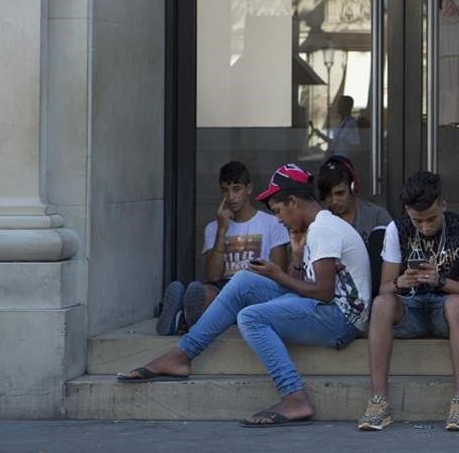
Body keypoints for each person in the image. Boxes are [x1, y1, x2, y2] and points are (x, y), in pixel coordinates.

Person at [116, 164, 372, 427]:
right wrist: (296, 257)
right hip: (324, 307)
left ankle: (294, 397)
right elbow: (307, 286)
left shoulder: (323, 229)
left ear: (293, 201)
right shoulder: (316, 227)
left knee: (251, 318)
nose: (279, 220)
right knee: (244, 281)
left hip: (341, 320)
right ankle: (182, 355)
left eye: (278, 211)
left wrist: (277, 274)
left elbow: (324, 292)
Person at [357, 171, 459, 432]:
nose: (425, 227)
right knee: (382, 304)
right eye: (418, 220)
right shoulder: (397, 228)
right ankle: (378, 401)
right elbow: (384, 289)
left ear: (443, 204)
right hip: (411, 310)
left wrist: (440, 281)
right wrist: (399, 283)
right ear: (407, 211)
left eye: (431, 219)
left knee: (457, 304)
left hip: (447, 312)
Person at [155, 161, 290, 335]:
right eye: (225, 190)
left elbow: (278, 273)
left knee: (224, 302)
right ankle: (184, 317)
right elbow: (213, 275)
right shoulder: (214, 228)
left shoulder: (272, 223)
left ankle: (183, 320)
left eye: (236, 189)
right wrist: (222, 230)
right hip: (223, 287)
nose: (231, 196)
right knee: (204, 292)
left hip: (255, 285)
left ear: (249, 189)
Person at [317, 155, 392, 242]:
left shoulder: (377, 216)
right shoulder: (320, 221)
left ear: (353, 188)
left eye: (340, 193)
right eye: (329, 195)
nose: (334, 201)